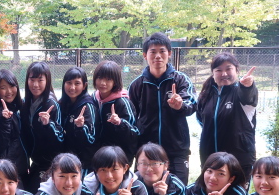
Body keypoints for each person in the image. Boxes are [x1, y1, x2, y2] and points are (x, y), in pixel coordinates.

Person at [128, 32, 197, 184]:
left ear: (169, 53)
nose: (158, 56)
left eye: (162, 51)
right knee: (142, 191)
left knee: (177, 190)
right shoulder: (137, 85)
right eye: (153, 52)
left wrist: (180, 105)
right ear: (145, 55)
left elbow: (192, 105)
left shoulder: (181, 79)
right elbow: (131, 118)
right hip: (146, 151)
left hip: (176, 149)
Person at [196, 52, 258, 181]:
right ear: (213, 73)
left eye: (228, 69)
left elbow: (248, 96)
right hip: (210, 161)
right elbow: (202, 121)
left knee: (235, 194)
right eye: (218, 70)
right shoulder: (206, 95)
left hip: (239, 162)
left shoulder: (240, 92)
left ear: (236, 70)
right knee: (212, 194)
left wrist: (247, 86)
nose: (224, 74)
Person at [21, 62, 64, 194]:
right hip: (35, 161)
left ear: (47, 81)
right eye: (32, 79)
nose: (35, 84)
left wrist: (48, 124)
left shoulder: (51, 104)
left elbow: (60, 138)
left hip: (49, 163)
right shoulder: (26, 102)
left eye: (40, 80)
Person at [92, 60, 139, 164]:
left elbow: (134, 133)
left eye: (108, 79)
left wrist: (120, 123)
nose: (103, 83)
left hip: (119, 158)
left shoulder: (123, 103)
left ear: (115, 81)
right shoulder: (94, 98)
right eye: (99, 78)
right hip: (99, 155)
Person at [0, 69, 28, 184]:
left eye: (12, 86)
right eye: (3, 88)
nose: (9, 91)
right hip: (5, 170)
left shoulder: (17, 106)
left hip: (20, 166)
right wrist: (4, 121)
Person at [58, 67, 98, 174]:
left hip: (84, 163)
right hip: (67, 160)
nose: (72, 87)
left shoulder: (88, 106)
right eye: (69, 83)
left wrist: (81, 127)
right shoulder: (63, 103)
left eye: (77, 83)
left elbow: (91, 139)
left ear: (84, 85)